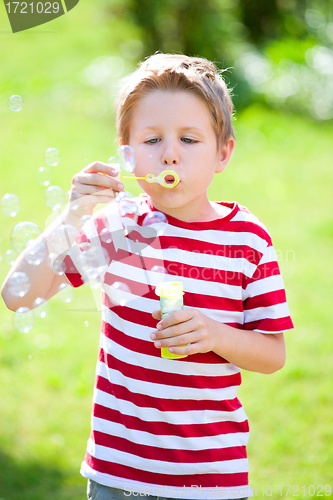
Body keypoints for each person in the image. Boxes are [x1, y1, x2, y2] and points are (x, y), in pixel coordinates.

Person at [1, 53, 294, 500]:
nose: (170, 153)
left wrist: (216, 334)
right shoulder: (117, 225)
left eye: (190, 139)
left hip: (211, 478)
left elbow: (272, 355)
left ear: (223, 152)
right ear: (126, 152)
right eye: (152, 139)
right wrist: (72, 213)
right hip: (117, 477)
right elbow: (19, 296)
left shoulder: (248, 240)